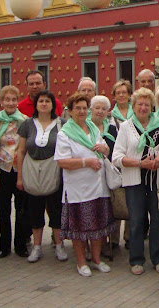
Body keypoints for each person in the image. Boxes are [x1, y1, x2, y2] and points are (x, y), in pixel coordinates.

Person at [54, 92, 115, 276]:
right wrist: (86, 162)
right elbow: (62, 162)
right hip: (78, 190)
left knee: (98, 227)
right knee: (79, 228)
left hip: (98, 186)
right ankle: (81, 262)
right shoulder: (65, 134)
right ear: (70, 111)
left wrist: (105, 149)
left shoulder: (93, 127)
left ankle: (96, 259)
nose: (81, 111)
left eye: (84, 108)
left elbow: (104, 148)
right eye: (77, 108)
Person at [112, 87, 159, 275]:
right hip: (134, 181)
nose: (143, 107)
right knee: (137, 221)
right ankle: (136, 259)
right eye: (140, 104)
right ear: (133, 106)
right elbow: (116, 157)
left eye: (147, 104)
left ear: (151, 106)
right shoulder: (125, 127)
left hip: (157, 180)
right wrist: (139, 163)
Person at [15, 90, 68, 263]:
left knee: (56, 210)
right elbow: (21, 151)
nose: (44, 104)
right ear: (36, 104)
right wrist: (20, 177)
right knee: (35, 210)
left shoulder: (62, 124)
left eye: (47, 101)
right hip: (32, 170)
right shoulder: (27, 125)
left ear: (53, 105)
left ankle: (59, 244)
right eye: (40, 101)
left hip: (54, 171)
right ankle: (37, 246)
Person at [0, 85, 29, 258]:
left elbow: (26, 147)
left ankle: (20, 245)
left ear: (17, 101)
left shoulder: (24, 120)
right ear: (1, 101)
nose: (10, 103)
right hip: (3, 170)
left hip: (19, 170)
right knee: (4, 210)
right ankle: (4, 246)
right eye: (7, 99)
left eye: (13, 99)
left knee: (21, 209)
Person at [90, 94, 127, 252]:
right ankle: (97, 241)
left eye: (103, 109)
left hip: (110, 172)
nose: (100, 111)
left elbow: (118, 149)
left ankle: (113, 240)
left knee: (112, 206)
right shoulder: (86, 127)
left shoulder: (112, 128)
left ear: (108, 111)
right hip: (91, 174)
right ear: (91, 110)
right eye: (97, 108)